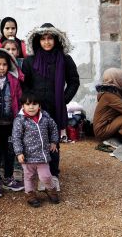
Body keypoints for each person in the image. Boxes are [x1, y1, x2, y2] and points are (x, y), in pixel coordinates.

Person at [21, 23, 80, 190]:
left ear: (56, 40)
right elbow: (25, 85)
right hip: (35, 109)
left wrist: (63, 100)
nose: (46, 42)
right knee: (35, 140)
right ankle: (38, 175)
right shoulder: (30, 61)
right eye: (43, 39)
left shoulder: (65, 60)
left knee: (53, 141)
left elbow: (74, 82)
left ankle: (53, 175)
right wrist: (29, 104)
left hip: (55, 107)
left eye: (50, 38)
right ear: (37, 41)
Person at [0, 48, 24, 197]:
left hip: (11, 123)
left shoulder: (13, 81)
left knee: (10, 152)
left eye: (4, 64)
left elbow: (19, 100)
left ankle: (8, 178)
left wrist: (20, 120)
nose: (1, 67)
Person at [12, 93, 60, 207]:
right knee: (29, 177)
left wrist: (54, 141)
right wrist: (19, 153)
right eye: (28, 104)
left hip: (42, 156)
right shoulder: (20, 120)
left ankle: (50, 189)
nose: (31, 107)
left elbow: (54, 128)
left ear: (40, 106)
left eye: (34, 104)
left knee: (46, 176)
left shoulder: (45, 118)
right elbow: (16, 137)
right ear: (23, 106)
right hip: (27, 157)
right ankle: (30, 194)